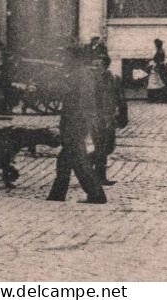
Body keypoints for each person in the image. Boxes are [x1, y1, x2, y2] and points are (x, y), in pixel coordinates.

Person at [47, 45, 105, 204]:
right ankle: (57, 195)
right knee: (65, 159)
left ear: (74, 59)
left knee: (78, 160)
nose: (63, 60)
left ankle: (97, 194)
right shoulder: (81, 74)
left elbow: (69, 96)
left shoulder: (78, 76)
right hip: (76, 121)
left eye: (66, 57)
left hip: (75, 122)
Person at [87, 42, 124, 187]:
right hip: (95, 118)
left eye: (98, 66)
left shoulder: (114, 79)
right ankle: (100, 177)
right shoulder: (90, 81)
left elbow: (120, 98)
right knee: (101, 147)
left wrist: (122, 115)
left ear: (105, 66)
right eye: (94, 65)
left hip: (109, 118)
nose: (95, 68)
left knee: (108, 147)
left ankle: (82, 162)